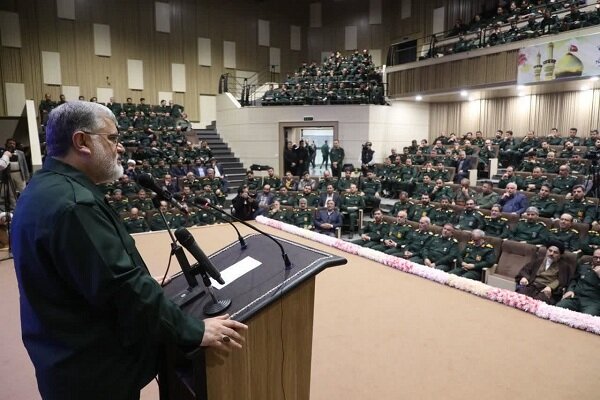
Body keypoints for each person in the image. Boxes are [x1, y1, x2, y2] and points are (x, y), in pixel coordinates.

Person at [11, 101, 247, 400]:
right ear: (81, 141)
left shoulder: (43, 188)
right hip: (93, 374)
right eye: (112, 138)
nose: (119, 148)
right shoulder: (75, 204)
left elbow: (85, 273)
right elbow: (121, 288)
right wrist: (193, 331)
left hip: (65, 361)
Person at [556, 248, 600, 316]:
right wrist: (570, 290)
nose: (598, 260)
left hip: (592, 302)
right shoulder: (584, 266)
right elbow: (574, 279)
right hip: (576, 297)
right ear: (592, 257)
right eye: (596, 257)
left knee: (587, 319)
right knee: (558, 308)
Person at [0, 138, 31, 209]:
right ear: (6, 144)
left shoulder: (20, 153)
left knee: (23, 190)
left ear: (15, 145)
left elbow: (24, 164)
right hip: (9, 175)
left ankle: (26, 206)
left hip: (20, 174)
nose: (12, 145)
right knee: (11, 192)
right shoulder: (4, 153)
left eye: (13, 143)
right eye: (10, 143)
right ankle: (14, 207)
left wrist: (27, 176)